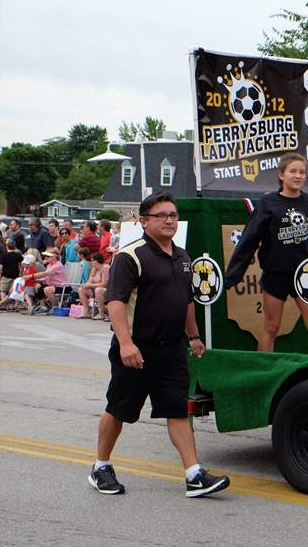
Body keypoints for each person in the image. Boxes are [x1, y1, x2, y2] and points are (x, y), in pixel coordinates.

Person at [88, 191, 230, 497]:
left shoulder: (183, 257)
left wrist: (192, 336)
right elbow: (115, 302)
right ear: (143, 221)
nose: (169, 220)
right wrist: (125, 344)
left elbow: (186, 301)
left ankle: (194, 474)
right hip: (136, 350)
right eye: (161, 215)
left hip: (172, 349)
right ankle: (101, 466)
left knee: (177, 411)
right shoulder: (130, 256)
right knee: (119, 409)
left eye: (173, 215)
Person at [225, 153, 308, 354]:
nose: (298, 176)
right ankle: (263, 373)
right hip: (275, 275)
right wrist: (232, 277)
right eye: (293, 171)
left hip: (307, 275)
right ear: (281, 175)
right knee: (271, 327)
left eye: (302, 172)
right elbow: (248, 240)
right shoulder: (268, 203)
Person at [78, 252, 110, 320]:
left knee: (98, 290)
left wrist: (91, 285)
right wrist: (86, 285)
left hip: (106, 290)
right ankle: (87, 312)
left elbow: (105, 284)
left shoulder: (106, 268)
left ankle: (101, 314)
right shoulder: (94, 269)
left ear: (97, 260)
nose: (91, 262)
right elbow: (89, 281)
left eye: (92, 260)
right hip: (95, 289)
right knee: (81, 289)